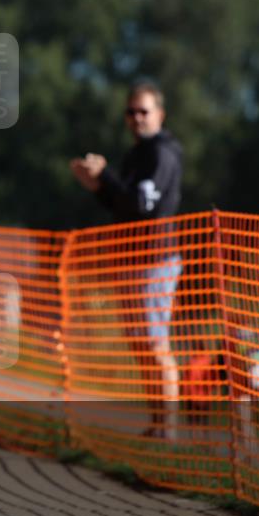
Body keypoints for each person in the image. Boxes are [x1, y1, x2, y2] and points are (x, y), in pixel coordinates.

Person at [70, 81, 184, 441]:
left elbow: (141, 204)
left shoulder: (161, 153)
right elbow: (123, 207)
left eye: (144, 111)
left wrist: (105, 176)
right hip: (132, 260)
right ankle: (157, 421)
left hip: (155, 261)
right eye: (131, 112)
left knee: (154, 341)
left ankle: (169, 426)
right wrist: (98, 185)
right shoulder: (137, 153)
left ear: (160, 115)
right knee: (139, 342)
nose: (136, 118)